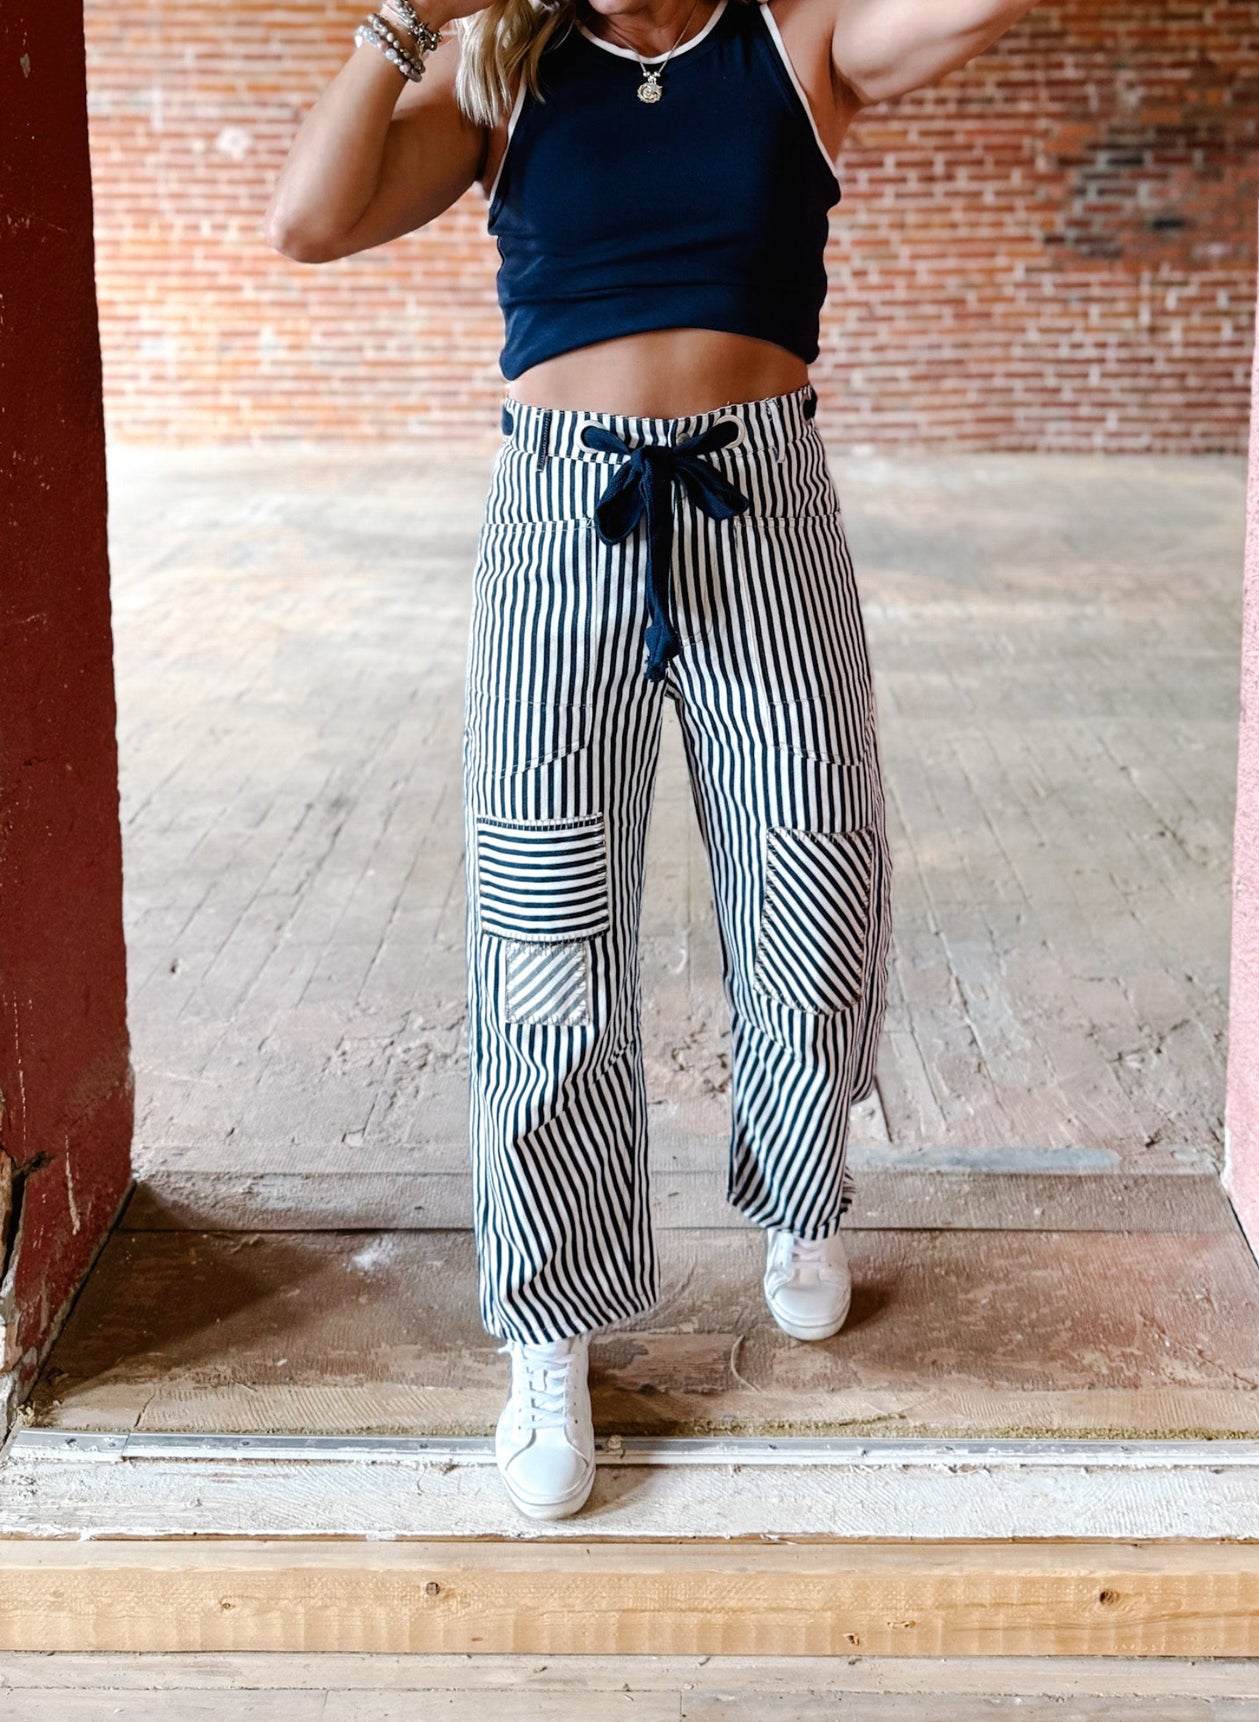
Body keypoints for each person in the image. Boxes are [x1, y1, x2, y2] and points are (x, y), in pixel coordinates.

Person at [266, 0, 1037, 1520]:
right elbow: (308, 222)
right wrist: (400, 19)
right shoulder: (497, 68)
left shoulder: (798, 41)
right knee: (541, 921)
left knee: (813, 875)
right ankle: (549, 1331)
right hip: (563, 522)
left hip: (763, 502)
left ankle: (799, 1197)